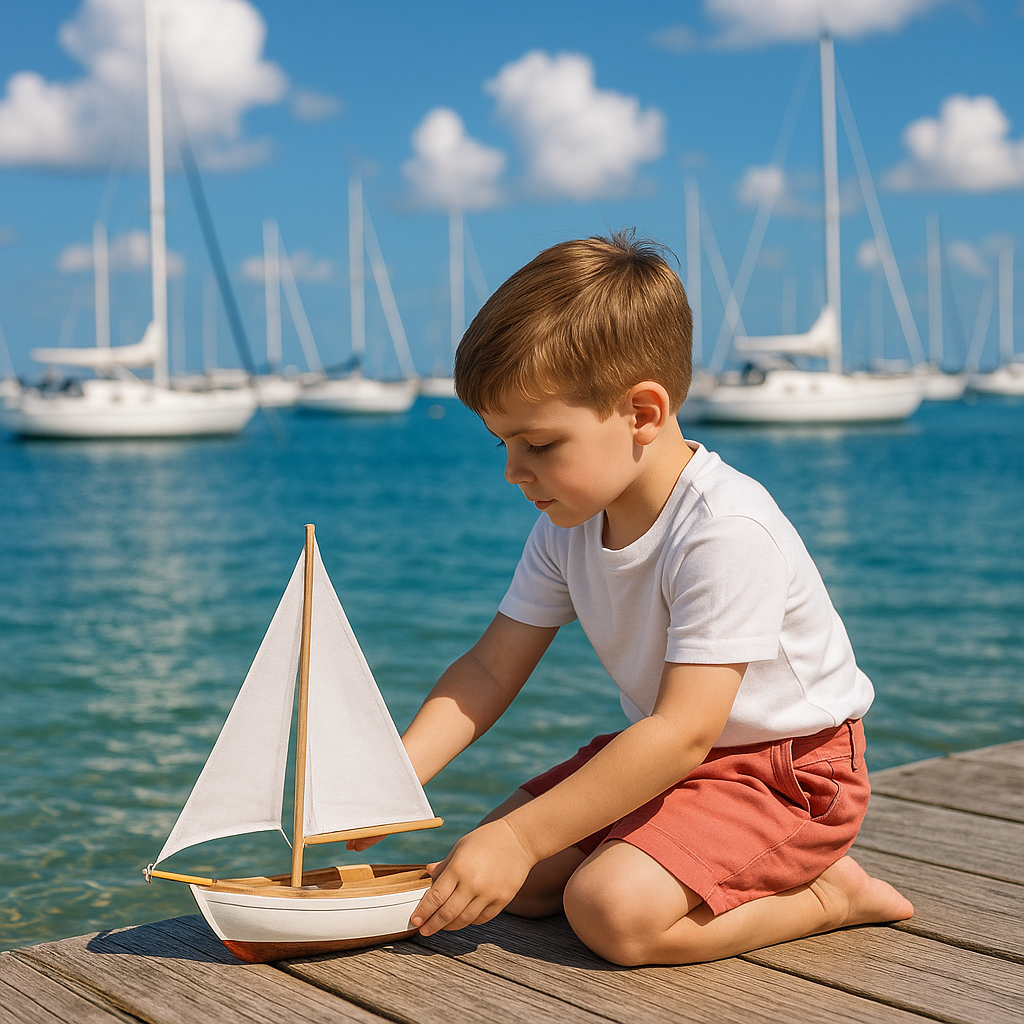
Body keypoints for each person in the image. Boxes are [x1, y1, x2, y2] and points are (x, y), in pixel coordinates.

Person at [350, 231, 914, 965]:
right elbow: (489, 670)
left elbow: (683, 729)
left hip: (789, 774)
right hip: (672, 755)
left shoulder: (724, 529)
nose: (515, 472)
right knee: (507, 883)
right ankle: (673, 858)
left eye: (540, 444)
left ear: (642, 414)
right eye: (502, 446)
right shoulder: (569, 522)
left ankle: (827, 896)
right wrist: (392, 781)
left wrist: (520, 835)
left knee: (610, 912)